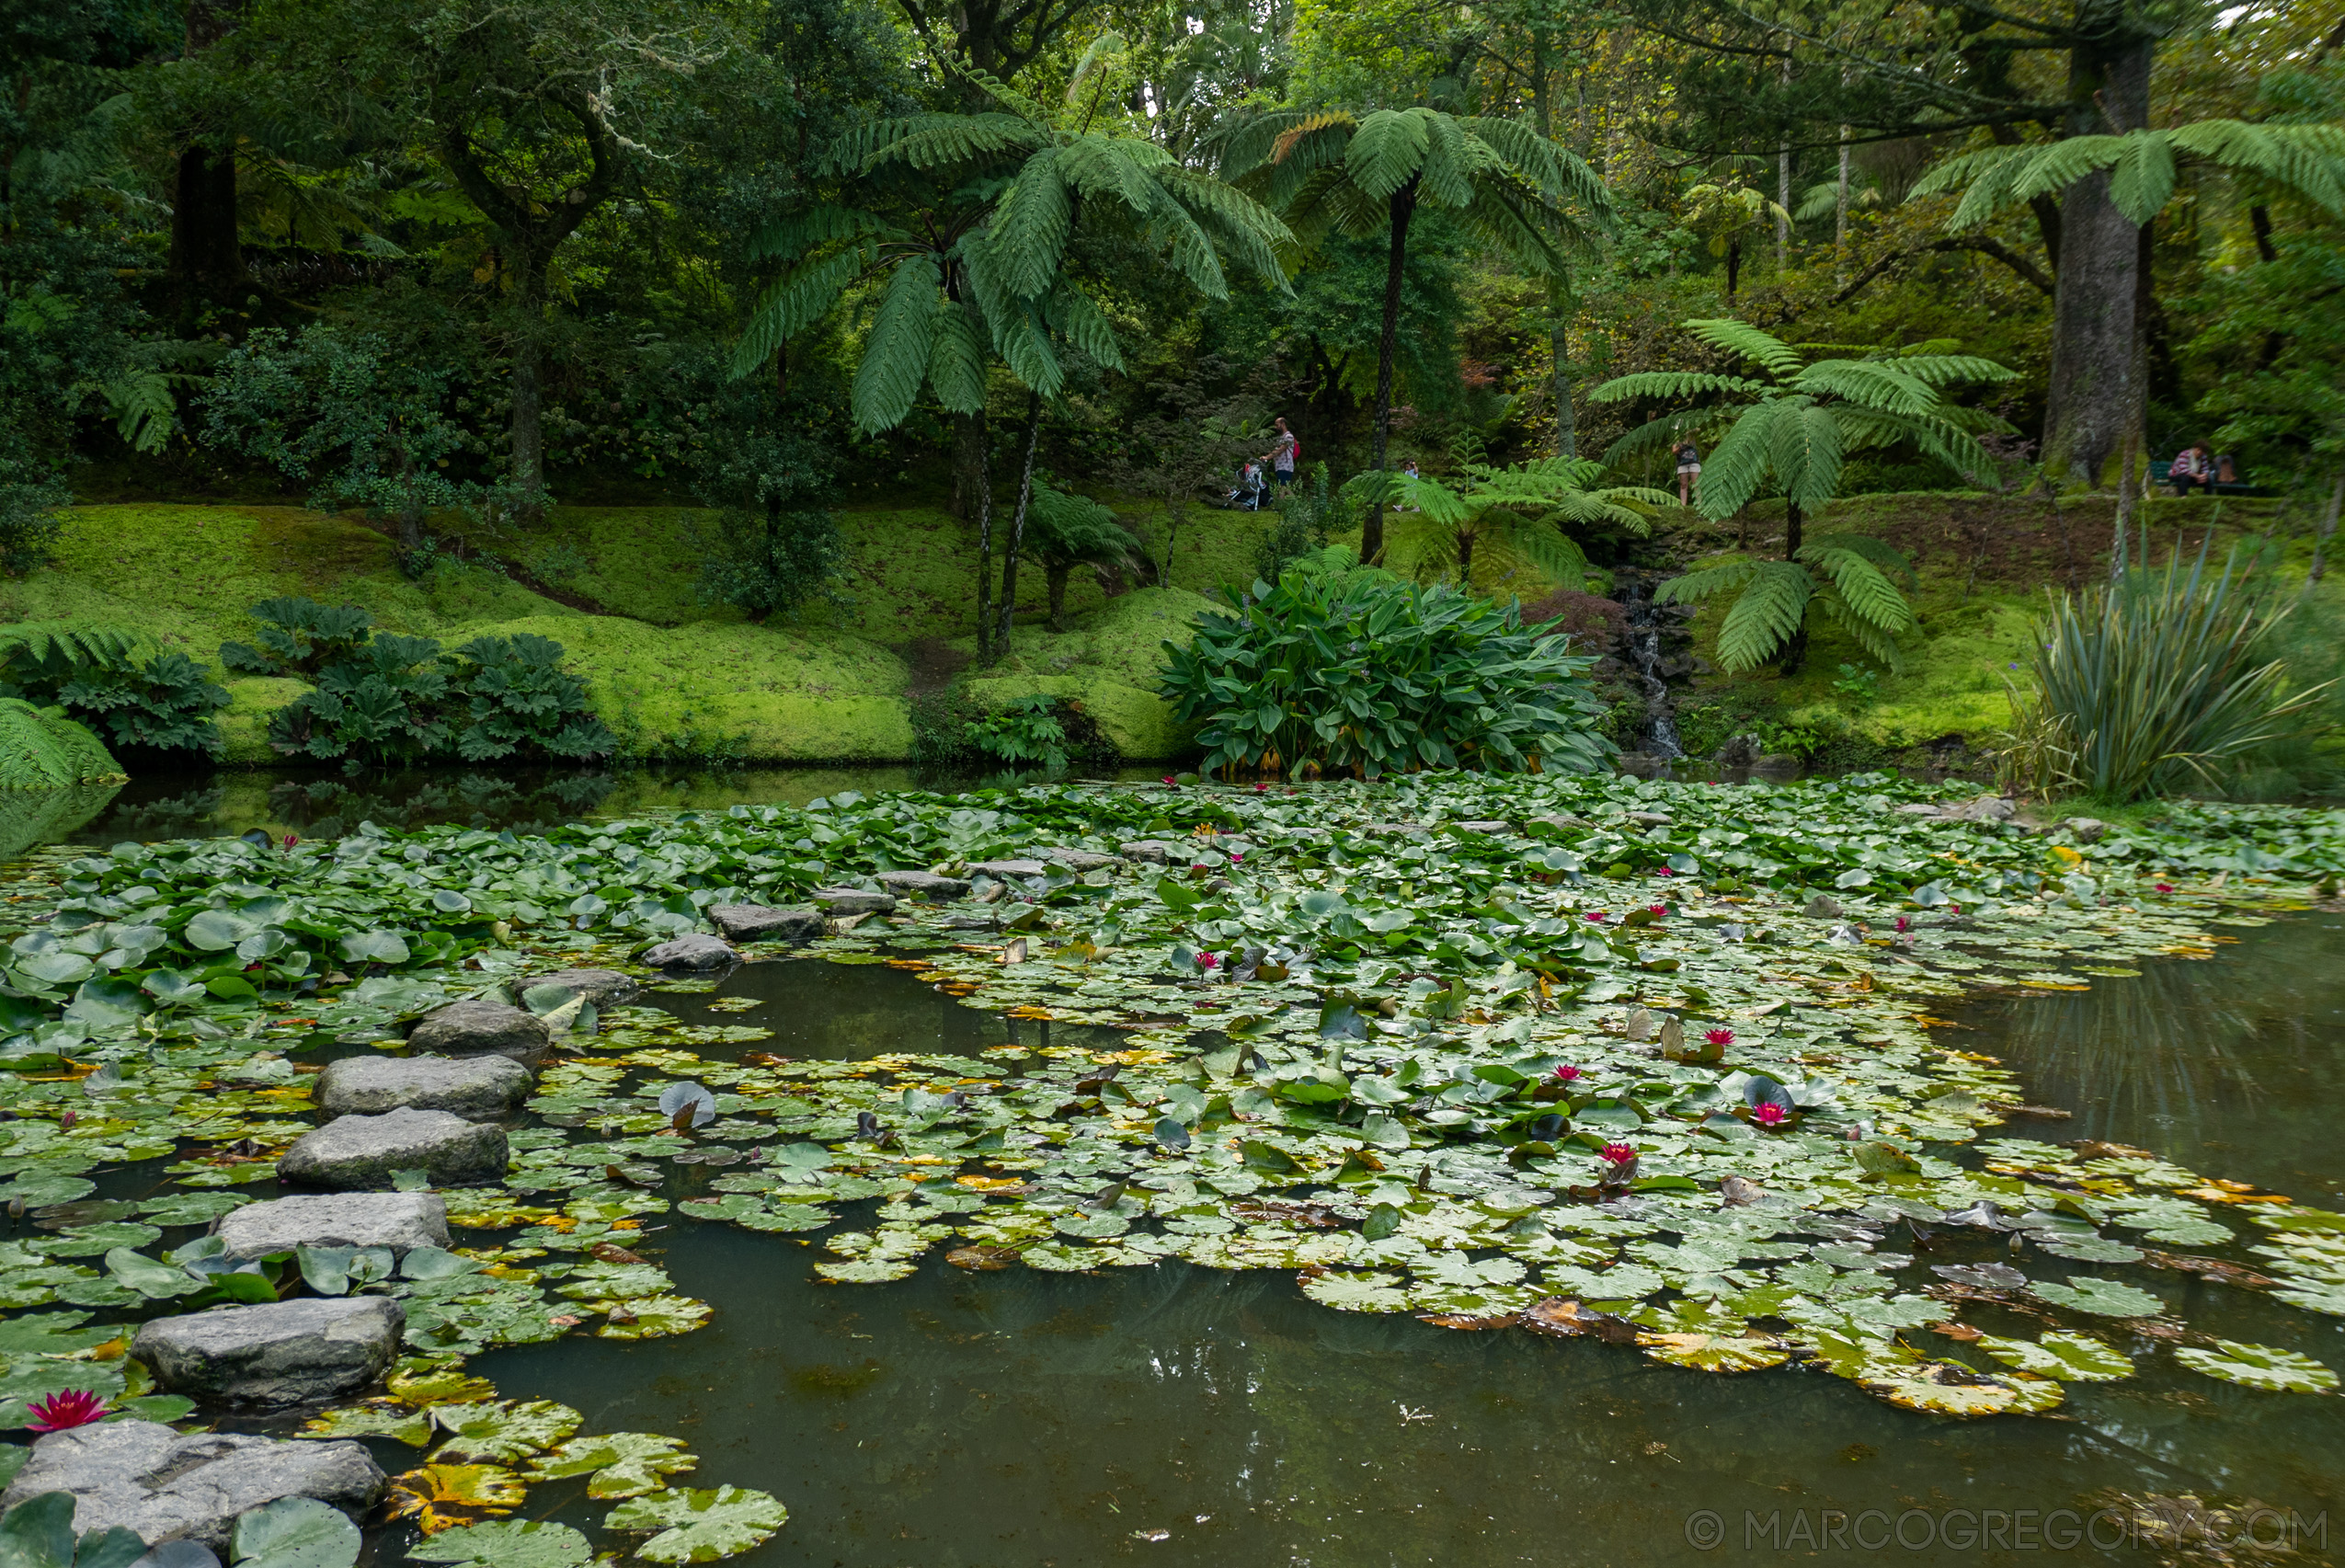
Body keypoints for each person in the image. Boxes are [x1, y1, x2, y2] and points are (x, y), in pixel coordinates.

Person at [1263, 418, 1298, 494]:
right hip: (1280, 466)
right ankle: (1292, 504)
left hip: (1285, 466)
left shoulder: (1288, 436)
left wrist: (1267, 457)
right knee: (1283, 486)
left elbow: (1280, 450)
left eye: (1277, 425)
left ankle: (1282, 504)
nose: (1276, 427)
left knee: (1283, 487)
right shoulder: (1281, 437)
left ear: (1283, 424)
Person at [1674, 441, 1701, 506]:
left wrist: (1689, 438)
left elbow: (1697, 430)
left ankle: (1699, 504)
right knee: (1683, 485)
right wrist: (1681, 445)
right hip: (1682, 463)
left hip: (1694, 462)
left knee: (1696, 484)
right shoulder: (1677, 439)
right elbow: (1674, 451)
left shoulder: (1692, 436)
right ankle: (1683, 505)